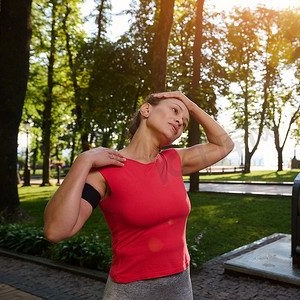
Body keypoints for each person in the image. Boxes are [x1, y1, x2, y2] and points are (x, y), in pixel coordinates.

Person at [43, 91, 234, 299]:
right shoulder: (106, 172)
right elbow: (56, 231)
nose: (180, 121)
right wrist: (83, 161)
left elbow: (224, 145)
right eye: (174, 110)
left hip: (180, 287)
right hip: (131, 290)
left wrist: (190, 105)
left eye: (185, 123)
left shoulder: (174, 161)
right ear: (146, 109)